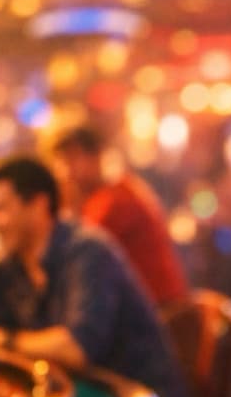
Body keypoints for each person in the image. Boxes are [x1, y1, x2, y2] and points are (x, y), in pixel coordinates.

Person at [0, 154, 188, 397]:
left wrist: (1, 340)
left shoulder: (88, 251)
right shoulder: (11, 263)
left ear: (38, 205)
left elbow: (76, 350)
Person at [50, 125, 188, 307]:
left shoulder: (115, 200)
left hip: (158, 311)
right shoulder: (112, 193)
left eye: (72, 159)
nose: (65, 172)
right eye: (61, 162)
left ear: (97, 157)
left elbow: (75, 253)